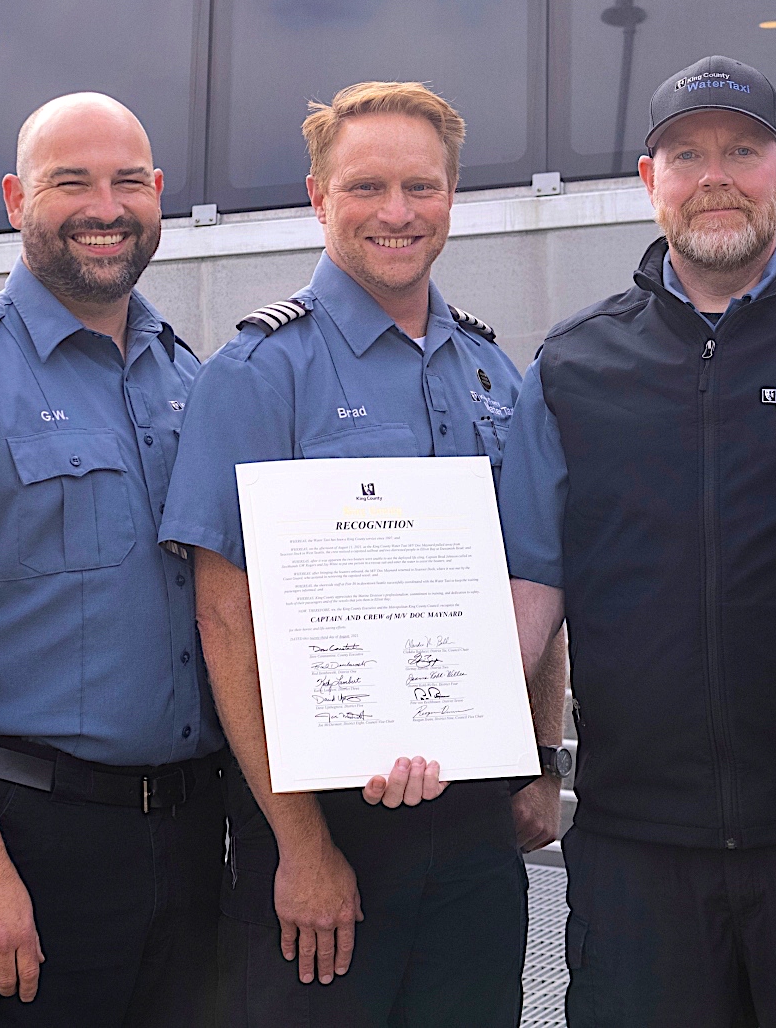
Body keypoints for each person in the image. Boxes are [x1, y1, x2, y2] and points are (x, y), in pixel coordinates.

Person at [496, 55, 776, 1026]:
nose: (714, 176)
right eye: (686, 154)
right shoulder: (572, 368)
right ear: (647, 181)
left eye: (740, 151)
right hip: (636, 854)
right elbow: (526, 599)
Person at [160, 81, 568, 1028]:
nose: (397, 212)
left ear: (452, 198)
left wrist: (541, 759)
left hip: (473, 828)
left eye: (421, 187)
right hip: (324, 822)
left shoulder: (493, 372)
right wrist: (300, 844)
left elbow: (534, 575)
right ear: (318, 197)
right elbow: (226, 623)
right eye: (367, 186)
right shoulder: (258, 374)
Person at [0, 94, 224, 1027]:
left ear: (159, 196)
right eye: (71, 181)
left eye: (127, 181)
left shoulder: (195, 384)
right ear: (17, 197)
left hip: (186, 841)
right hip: (20, 836)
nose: (105, 205)